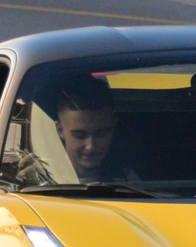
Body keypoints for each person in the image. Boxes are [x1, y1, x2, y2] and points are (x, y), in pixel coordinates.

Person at [8, 76, 139, 185]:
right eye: (80, 135)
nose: (90, 147)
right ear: (60, 130)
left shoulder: (131, 183)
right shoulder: (36, 179)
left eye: (101, 134)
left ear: (113, 127)